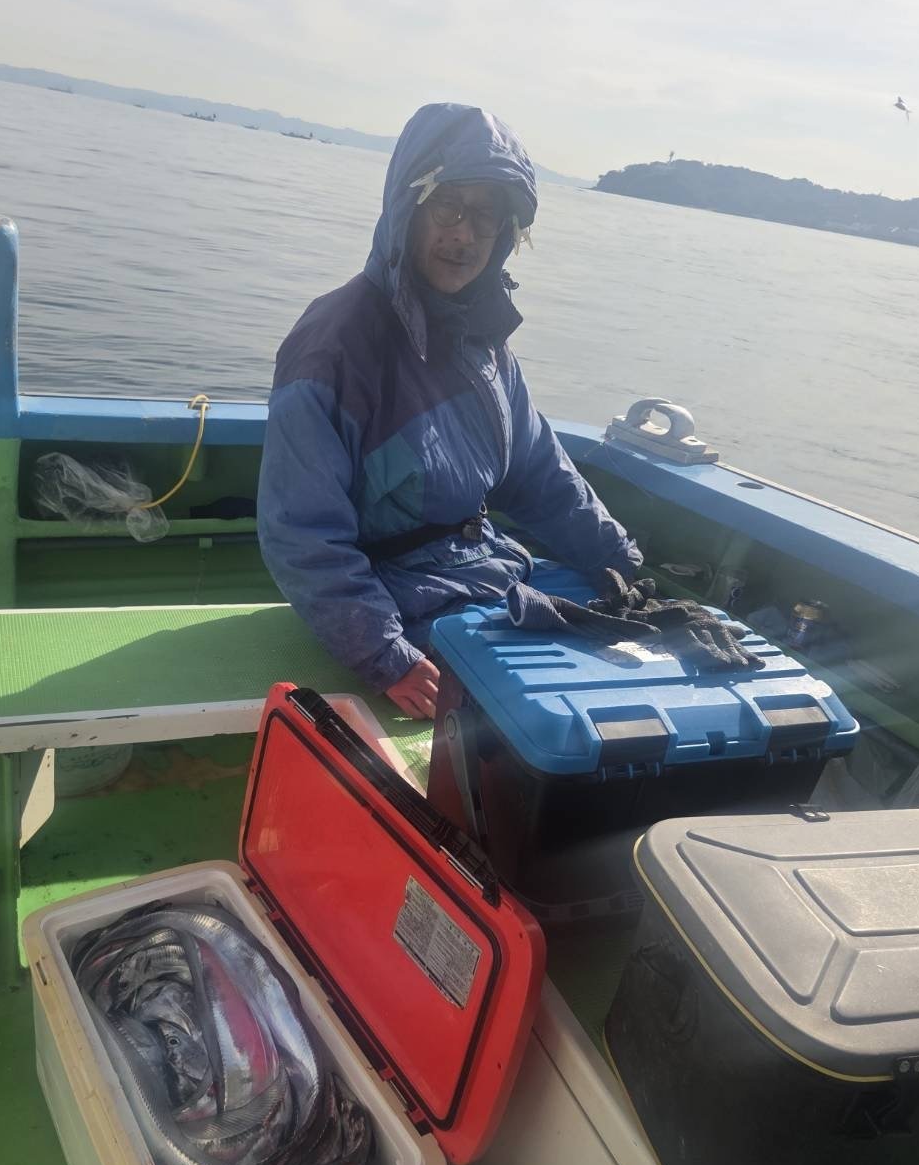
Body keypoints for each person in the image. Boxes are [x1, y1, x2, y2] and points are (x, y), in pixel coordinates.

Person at [257, 102, 641, 719]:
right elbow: (301, 532)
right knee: (551, 719)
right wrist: (386, 657)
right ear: (407, 207)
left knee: (637, 644)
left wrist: (618, 561)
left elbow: (540, 472)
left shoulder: (481, 338)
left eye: (485, 215)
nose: (464, 235)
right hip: (399, 604)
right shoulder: (333, 345)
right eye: (448, 206)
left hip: (488, 570)